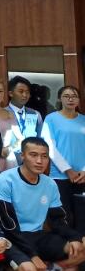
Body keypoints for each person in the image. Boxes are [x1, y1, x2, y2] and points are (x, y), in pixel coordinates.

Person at [0, 137, 85, 271]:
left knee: (82, 246)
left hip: (37, 235)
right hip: (9, 238)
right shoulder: (4, 180)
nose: (39, 161)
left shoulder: (50, 184)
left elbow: (58, 220)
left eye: (44, 156)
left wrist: (75, 237)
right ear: (22, 156)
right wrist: (33, 256)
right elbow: (8, 226)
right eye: (33, 155)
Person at [42, 86, 85, 224]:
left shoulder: (83, 119)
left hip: (82, 176)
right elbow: (49, 147)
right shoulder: (51, 119)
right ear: (60, 99)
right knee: (64, 215)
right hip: (59, 175)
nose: (70, 99)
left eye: (74, 96)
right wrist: (68, 170)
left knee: (82, 214)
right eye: (66, 96)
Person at [4, 75, 43, 168]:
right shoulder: (2, 113)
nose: (25, 95)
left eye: (27, 92)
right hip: (8, 161)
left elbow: (40, 139)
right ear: (11, 93)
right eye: (21, 91)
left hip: (31, 162)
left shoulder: (35, 114)